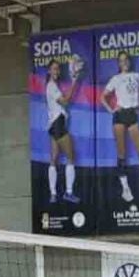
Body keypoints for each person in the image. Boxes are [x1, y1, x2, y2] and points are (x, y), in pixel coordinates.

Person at [102, 51, 139, 204]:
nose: (124, 62)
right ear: (118, 63)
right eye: (121, 60)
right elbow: (103, 97)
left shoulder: (136, 76)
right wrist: (111, 110)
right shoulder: (115, 78)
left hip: (132, 115)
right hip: (120, 116)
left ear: (129, 61)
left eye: (126, 60)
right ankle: (125, 189)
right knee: (122, 154)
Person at [43, 55, 84, 203]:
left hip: (53, 125)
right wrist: (74, 81)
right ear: (49, 71)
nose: (57, 71)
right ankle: (68, 192)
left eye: (58, 69)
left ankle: (53, 194)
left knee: (54, 159)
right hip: (58, 125)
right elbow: (65, 101)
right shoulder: (51, 86)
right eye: (54, 69)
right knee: (71, 157)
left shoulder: (51, 86)